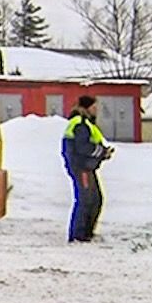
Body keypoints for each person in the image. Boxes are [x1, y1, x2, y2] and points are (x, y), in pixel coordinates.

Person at [63, 95, 113, 242]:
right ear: (87, 108)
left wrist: (102, 153)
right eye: (94, 107)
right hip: (82, 167)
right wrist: (102, 152)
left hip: (87, 167)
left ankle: (87, 232)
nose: (96, 110)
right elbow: (83, 147)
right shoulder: (80, 123)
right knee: (86, 200)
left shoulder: (86, 123)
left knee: (96, 199)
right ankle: (79, 235)